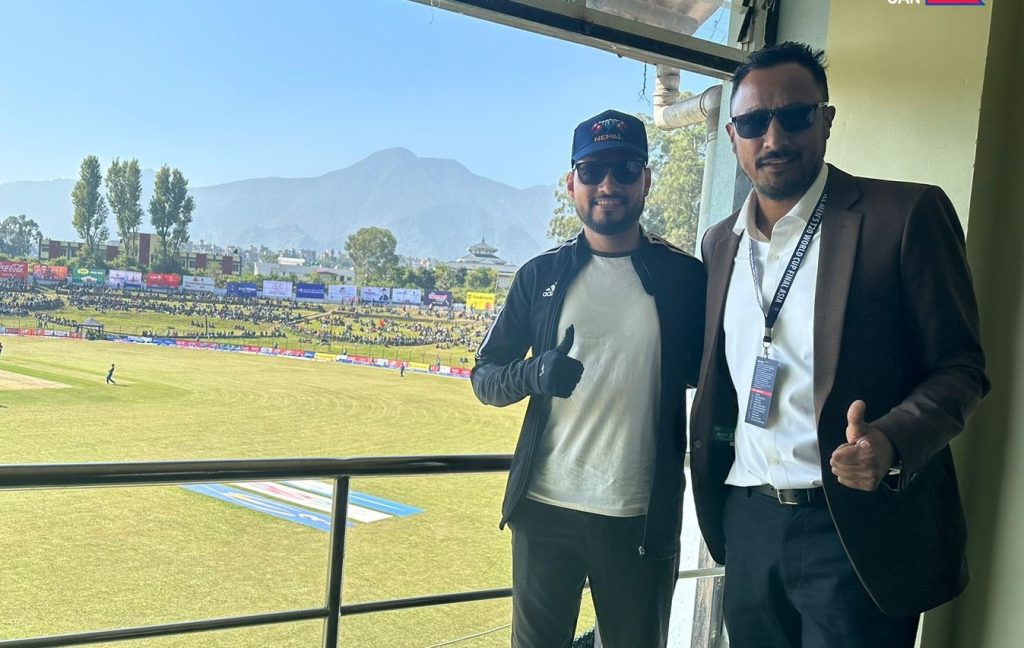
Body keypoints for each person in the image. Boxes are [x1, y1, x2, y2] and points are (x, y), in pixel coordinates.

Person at [688, 42, 989, 648]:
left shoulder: (904, 216)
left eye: (795, 116)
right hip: (748, 520)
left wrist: (891, 440)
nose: (774, 138)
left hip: (853, 528)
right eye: (754, 122)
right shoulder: (720, 243)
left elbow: (961, 369)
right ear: (732, 135)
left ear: (825, 119)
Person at [472, 109, 706, 648]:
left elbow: (716, 371)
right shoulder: (540, 275)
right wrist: (533, 373)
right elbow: (484, 376)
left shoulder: (685, 278)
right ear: (570, 182)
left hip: (639, 514)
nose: (608, 184)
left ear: (646, 179)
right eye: (592, 170)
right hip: (544, 510)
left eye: (626, 169)